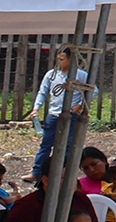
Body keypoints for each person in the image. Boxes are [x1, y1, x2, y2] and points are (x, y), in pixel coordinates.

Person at [32, 48, 94, 180]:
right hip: (53, 114)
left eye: (63, 59)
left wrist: (81, 105)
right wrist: (36, 108)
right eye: (58, 58)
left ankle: (63, 173)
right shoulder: (52, 74)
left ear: (71, 59)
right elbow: (42, 92)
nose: (59, 61)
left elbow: (93, 90)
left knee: (68, 145)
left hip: (71, 115)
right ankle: (37, 172)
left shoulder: (81, 75)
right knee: (46, 144)